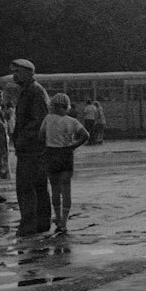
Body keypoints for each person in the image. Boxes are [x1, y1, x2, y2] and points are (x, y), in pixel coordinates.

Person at [8, 58, 53, 235]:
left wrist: (22, 139)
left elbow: (38, 121)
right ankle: (41, 223)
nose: (14, 75)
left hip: (31, 150)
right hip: (33, 149)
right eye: (14, 72)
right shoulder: (31, 91)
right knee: (38, 186)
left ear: (29, 72)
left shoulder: (34, 92)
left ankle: (29, 225)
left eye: (17, 72)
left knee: (27, 187)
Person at [40, 93, 90, 233]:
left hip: (51, 154)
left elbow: (41, 136)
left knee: (55, 188)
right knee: (66, 189)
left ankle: (57, 217)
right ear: (66, 106)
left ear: (54, 106)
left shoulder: (48, 119)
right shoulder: (72, 121)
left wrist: (48, 144)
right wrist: (74, 145)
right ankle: (64, 222)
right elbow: (86, 135)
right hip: (66, 155)